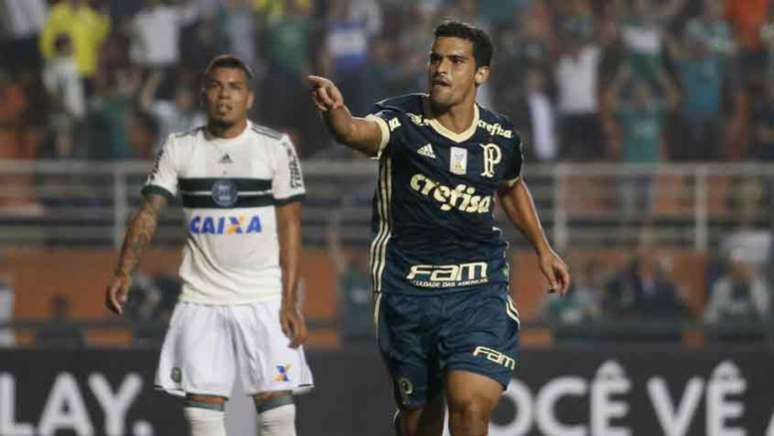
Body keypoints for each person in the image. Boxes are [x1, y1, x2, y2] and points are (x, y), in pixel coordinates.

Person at [308, 20, 570, 436]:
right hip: (407, 291)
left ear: (481, 73)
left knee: (469, 405)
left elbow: (511, 185)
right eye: (435, 58)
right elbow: (357, 132)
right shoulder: (401, 119)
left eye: (455, 60)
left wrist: (543, 247)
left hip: (477, 289)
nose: (440, 68)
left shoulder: (500, 136)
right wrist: (337, 115)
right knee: (419, 423)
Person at [105, 55, 313, 436]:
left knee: (279, 415)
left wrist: (289, 301)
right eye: (217, 86)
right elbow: (149, 212)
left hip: (263, 296)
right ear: (204, 95)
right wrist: (123, 271)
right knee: (202, 416)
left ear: (249, 99)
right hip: (202, 298)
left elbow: (290, 226)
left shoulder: (275, 147)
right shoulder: (180, 148)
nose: (225, 95)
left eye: (234, 87)